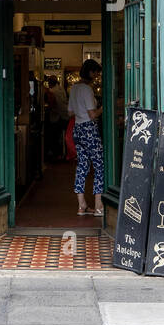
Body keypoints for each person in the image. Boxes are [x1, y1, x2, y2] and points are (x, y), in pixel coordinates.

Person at [67, 59, 104, 216]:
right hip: (89, 129)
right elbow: (92, 114)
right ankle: (98, 206)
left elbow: (70, 112)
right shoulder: (87, 90)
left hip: (78, 130)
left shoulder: (74, 88)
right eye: (96, 73)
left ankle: (81, 205)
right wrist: (104, 107)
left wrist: (80, 111)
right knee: (99, 166)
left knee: (82, 166)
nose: (97, 76)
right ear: (90, 72)